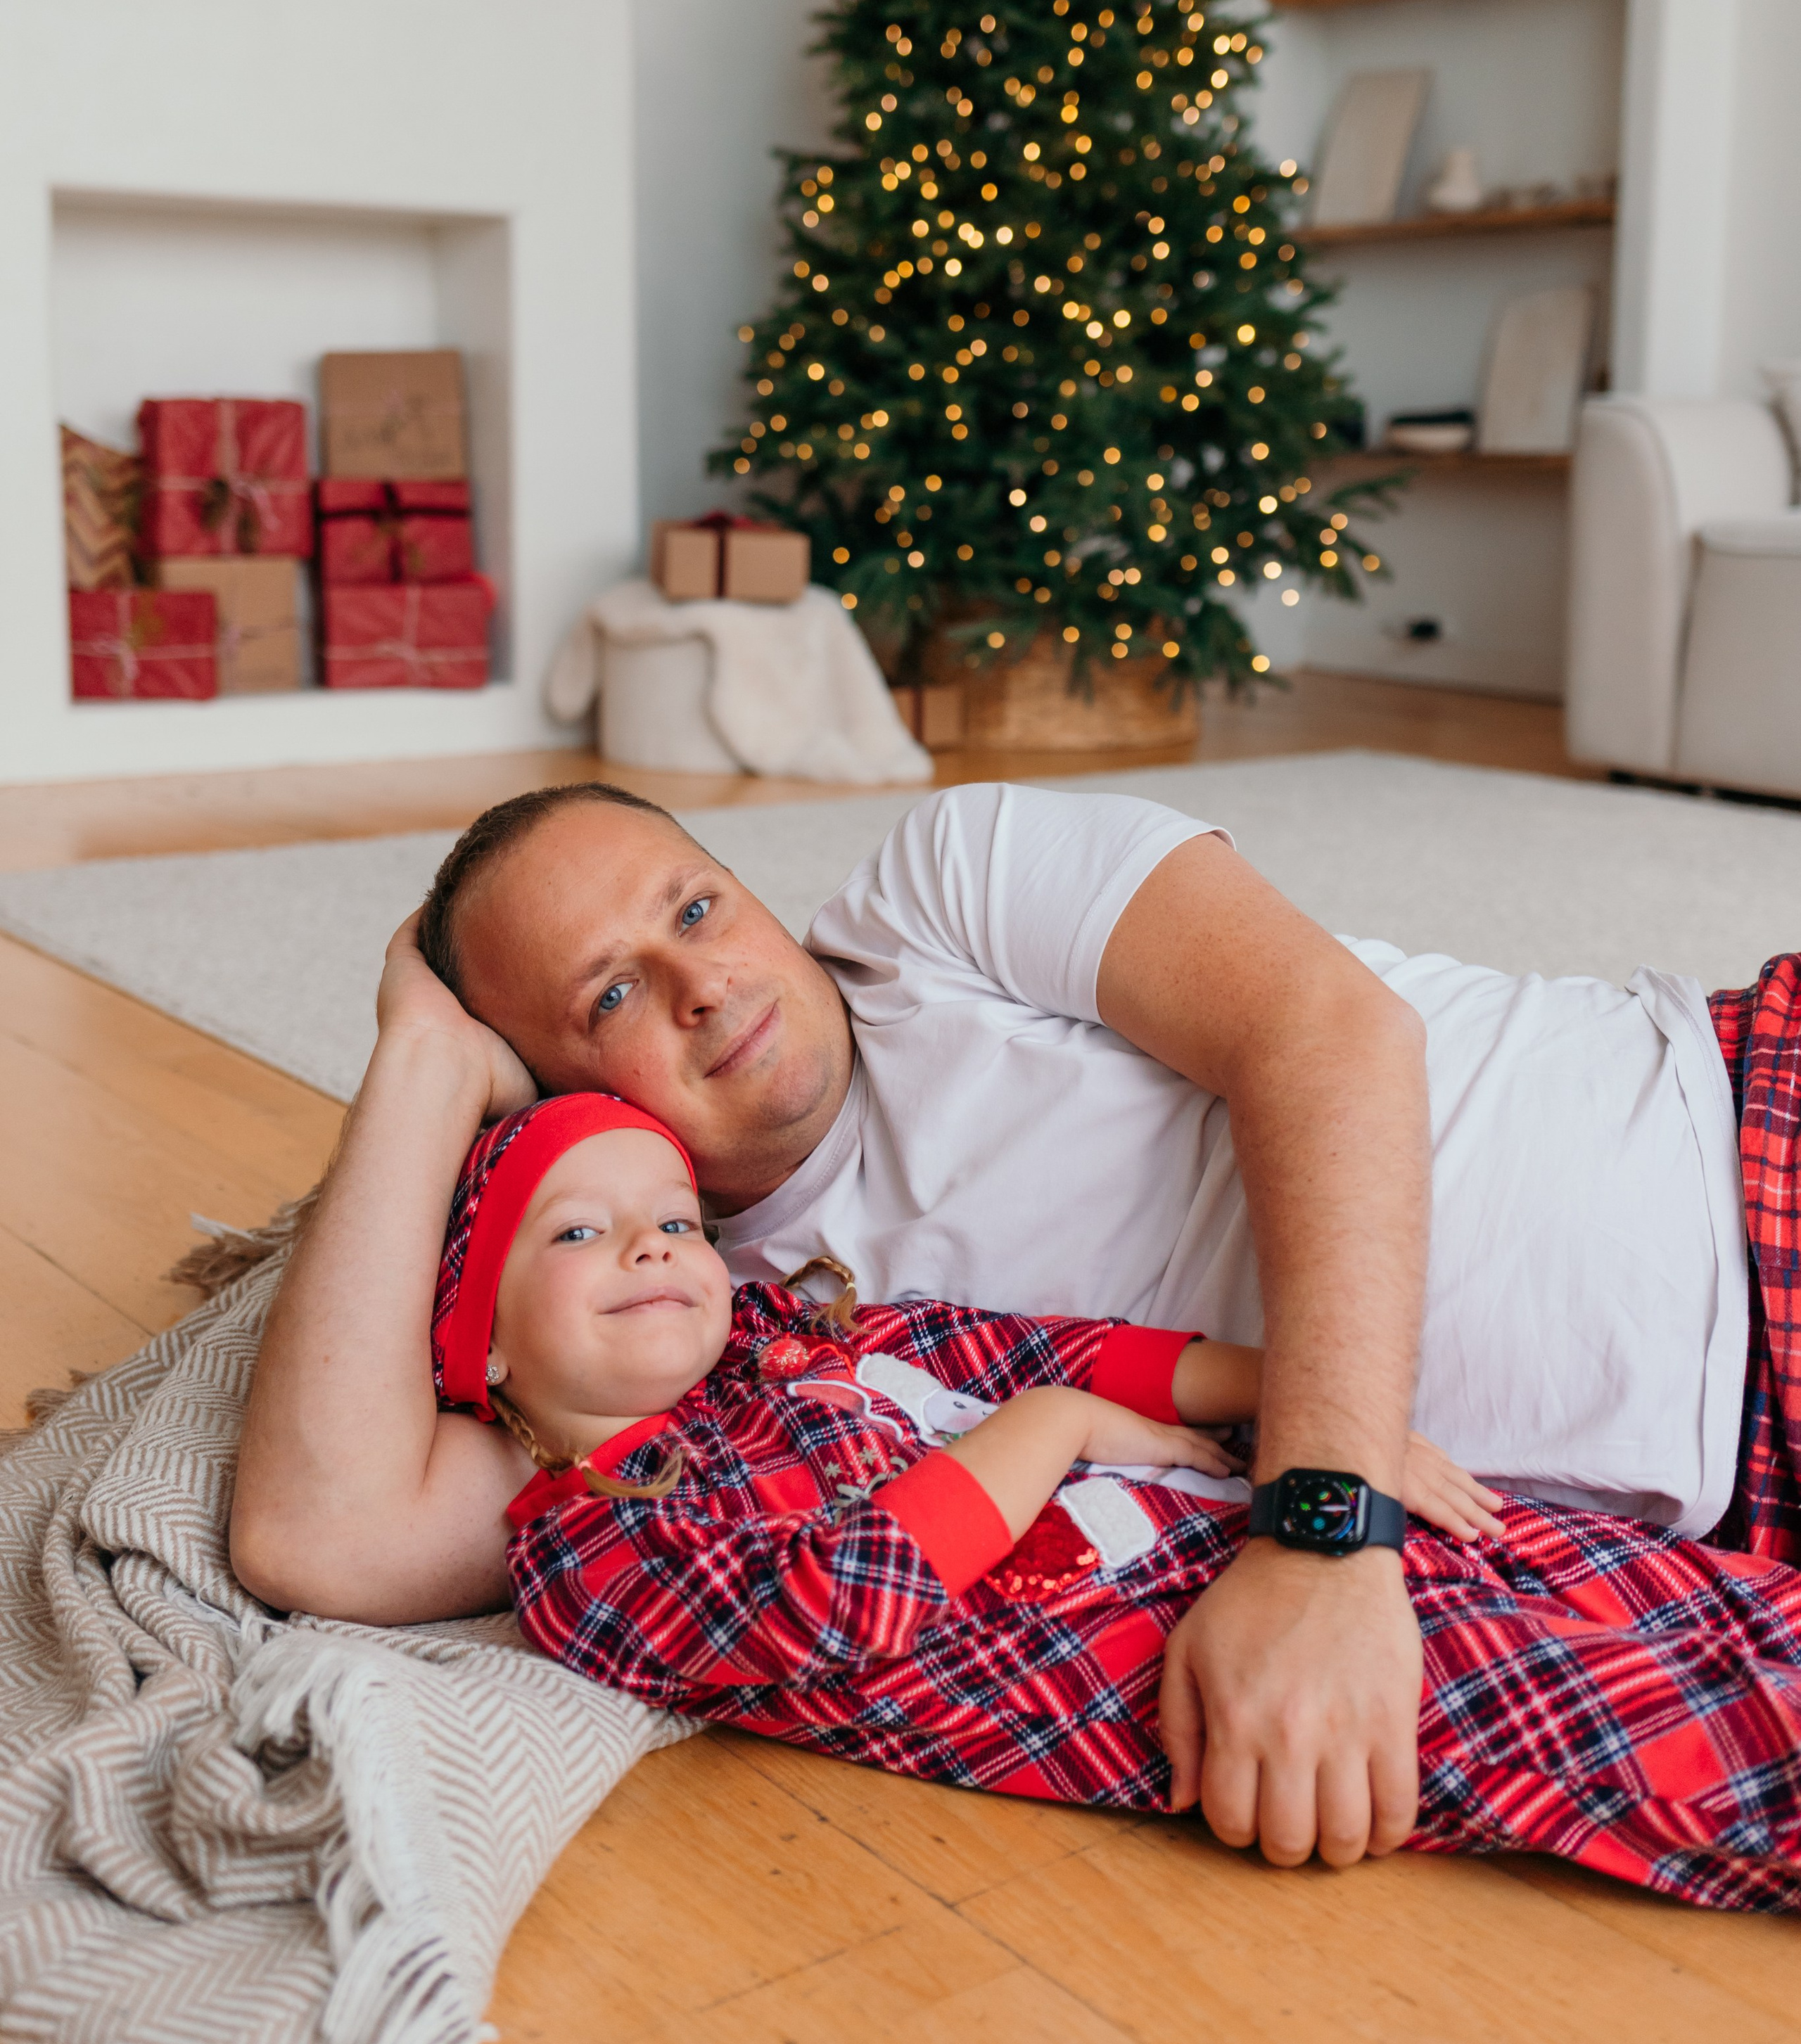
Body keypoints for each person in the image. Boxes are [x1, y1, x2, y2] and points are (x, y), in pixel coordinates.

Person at [231, 776, 1800, 1877]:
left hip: (1732, 1134)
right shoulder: (702, 1343)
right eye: (613, 1000)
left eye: (697, 908)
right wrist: (421, 1072)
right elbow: (325, 1532)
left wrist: (1324, 1534)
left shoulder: (947, 890)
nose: (702, 983)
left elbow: (1325, 1033)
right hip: (1728, 1507)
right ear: (558, 1096)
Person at [234, 1084, 1801, 1912]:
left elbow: (1062, 1346)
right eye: (575, 1236)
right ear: (477, 1340)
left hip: (1298, 1544)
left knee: (1681, 1590)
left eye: (671, 1219)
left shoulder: (834, 1345)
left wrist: (1321, 1423)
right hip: (1232, 1682)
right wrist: (1052, 1428)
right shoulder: (596, 1541)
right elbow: (845, 1592)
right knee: (1694, 1741)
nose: (652, 1246)